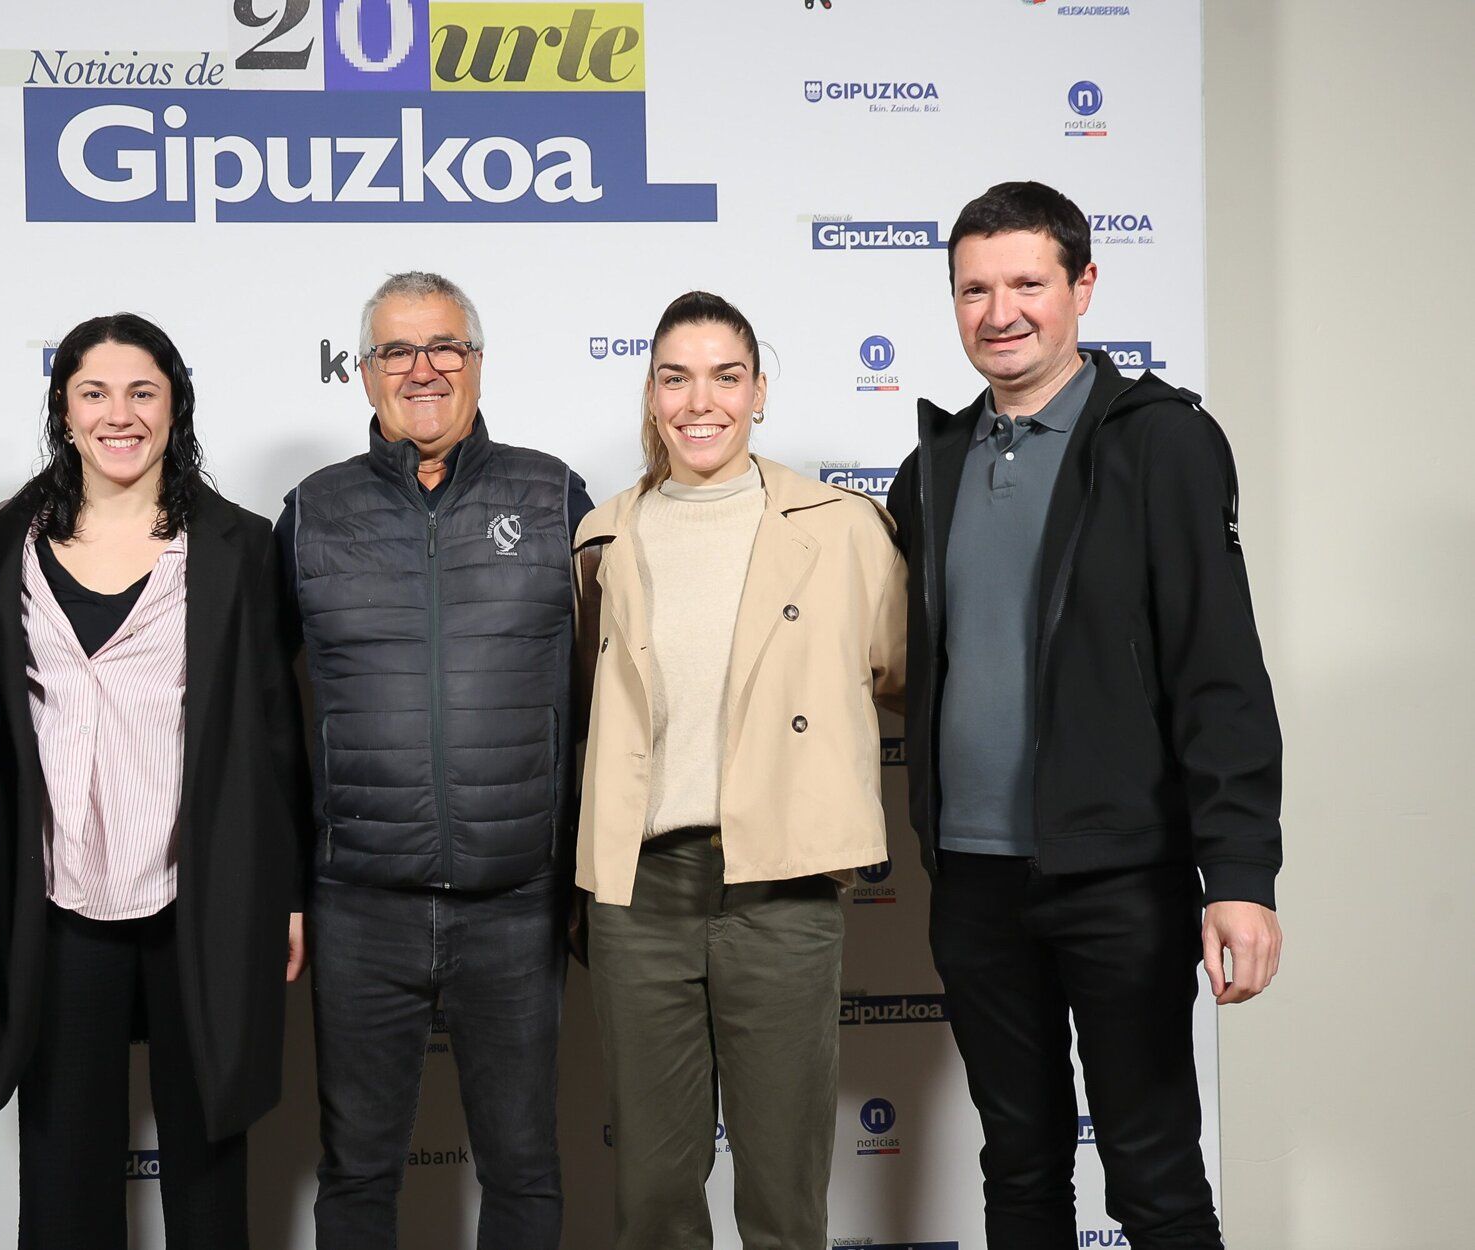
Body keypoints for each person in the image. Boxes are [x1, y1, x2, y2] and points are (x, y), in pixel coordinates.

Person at [887, 181, 1284, 1249]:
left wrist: (1240, 876)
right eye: (975, 287)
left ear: (1083, 288)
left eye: (1027, 282)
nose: (999, 310)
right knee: (1017, 1167)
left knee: (1152, 1171)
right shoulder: (931, 469)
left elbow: (1220, 670)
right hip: (973, 879)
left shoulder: (1161, 444)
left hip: (1121, 877)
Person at [572, 290, 907, 1249]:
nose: (699, 400)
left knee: (783, 1190)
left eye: (725, 376)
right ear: (649, 395)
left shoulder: (842, 527)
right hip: (641, 895)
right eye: (674, 377)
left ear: (759, 391)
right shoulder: (604, 536)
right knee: (653, 1193)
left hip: (781, 886)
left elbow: (900, 674)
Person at [275, 271, 593, 1250]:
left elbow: (608, 697)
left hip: (517, 899)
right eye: (396, 352)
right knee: (359, 1170)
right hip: (361, 902)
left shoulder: (554, 496)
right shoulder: (312, 511)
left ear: (478, 361)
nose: (423, 369)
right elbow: (265, 718)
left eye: (444, 346)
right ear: (362, 373)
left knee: (525, 1166)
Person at [0, 313, 311, 1249]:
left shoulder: (239, 547)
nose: (118, 415)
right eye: (94, 392)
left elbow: (274, 731)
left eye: (142, 392)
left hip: (199, 893)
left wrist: (285, 891)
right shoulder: (7, 538)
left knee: (208, 1159)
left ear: (175, 406)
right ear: (64, 407)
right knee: (61, 1164)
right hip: (58, 901)